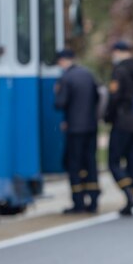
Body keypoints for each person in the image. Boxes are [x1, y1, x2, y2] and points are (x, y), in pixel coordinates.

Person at [54, 49, 100, 214]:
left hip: (74, 128)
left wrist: (57, 91)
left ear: (62, 61)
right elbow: (97, 97)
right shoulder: (88, 74)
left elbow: (60, 103)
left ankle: (78, 201)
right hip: (91, 126)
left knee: (73, 164)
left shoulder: (66, 78)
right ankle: (94, 200)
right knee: (90, 163)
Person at [105, 41, 133, 216]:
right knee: (131, 160)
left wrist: (108, 116)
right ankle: (132, 196)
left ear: (118, 52)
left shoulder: (119, 71)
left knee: (113, 161)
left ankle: (128, 193)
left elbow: (114, 97)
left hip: (122, 120)